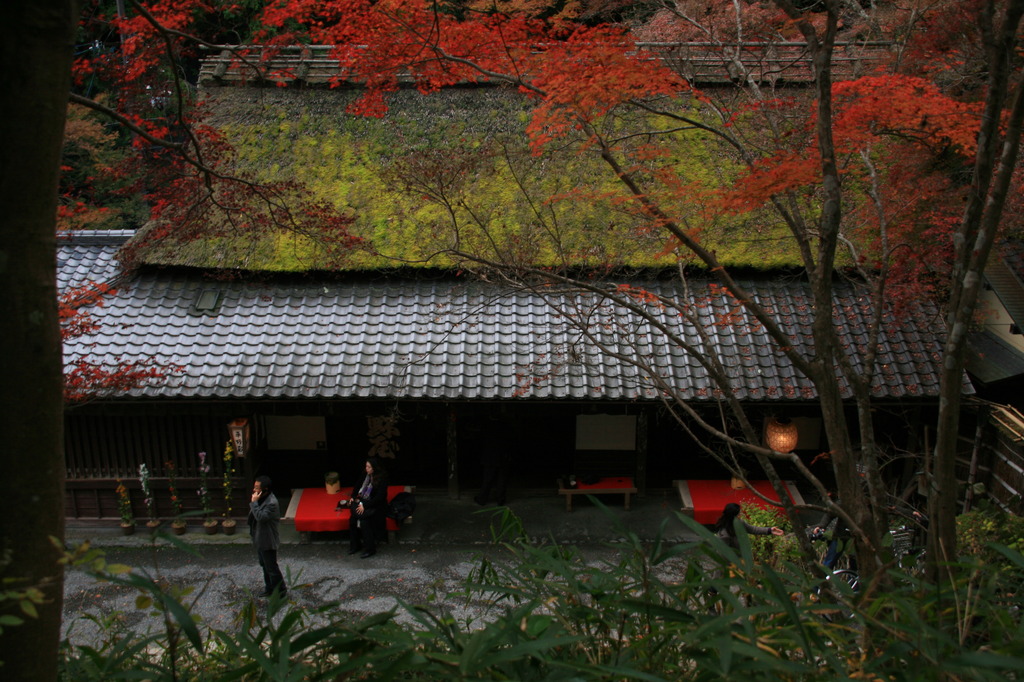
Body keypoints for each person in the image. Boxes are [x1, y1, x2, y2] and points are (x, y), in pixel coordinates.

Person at [248, 475, 286, 597]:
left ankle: (281, 591)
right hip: (259, 537)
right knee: (264, 565)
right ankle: (269, 588)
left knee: (271, 567)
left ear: (265, 489)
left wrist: (254, 503)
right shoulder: (261, 498)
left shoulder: (271, 503)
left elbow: (261, 517)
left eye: (257, 488)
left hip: (267, 539)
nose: (254, 490)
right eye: (254, 487)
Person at [348, 456, 388, 559]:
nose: (367, 469)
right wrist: (353, 496)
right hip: (364, 502)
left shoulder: (382, 478)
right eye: (366, 466)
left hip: (376, 506)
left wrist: (364, 506)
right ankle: (355, 545)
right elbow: (357, 486)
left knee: (364, 521)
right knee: (352, 520)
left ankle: (370, 549)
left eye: (369, 467)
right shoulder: (365, 475)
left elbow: (380, 497)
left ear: (374, 468)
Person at [474, 419, 513, 506]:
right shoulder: (505, 427)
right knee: (501, 479)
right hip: (503, 456)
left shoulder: (487, 427)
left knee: (488, 478)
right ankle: (500, 499)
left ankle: (482, 499)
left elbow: (481, 440)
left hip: (490, 456)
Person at [714, 502, 784, 549]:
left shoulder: (740, 523)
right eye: (739, 514)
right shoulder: (724, 534)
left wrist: (770, 530)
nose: (740, 515)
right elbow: (723, 553)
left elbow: (752, 529)